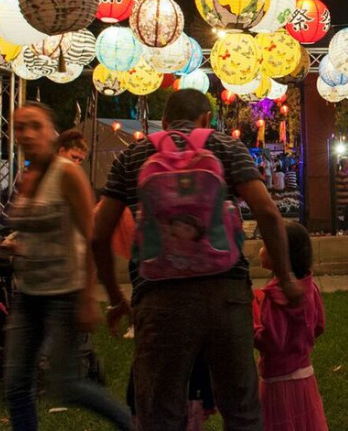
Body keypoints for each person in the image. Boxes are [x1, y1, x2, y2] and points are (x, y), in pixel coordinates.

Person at [93, 89, 302, 431]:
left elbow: (98, 234)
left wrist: (116, 298)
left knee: (161, 412)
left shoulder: (133, 155)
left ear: (164, 122)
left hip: (159, 298)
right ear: (207, 119)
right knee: (241, 410)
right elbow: (266, 211)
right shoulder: (227, 147)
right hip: (227, 293)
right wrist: (287, 276)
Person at [2, 101, 131, 431]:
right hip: (28, 294)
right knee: (17, 384)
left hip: (63, 294)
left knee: (66, 386)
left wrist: (88, 297)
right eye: (20, 127)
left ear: (51, 132)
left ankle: (131, 425)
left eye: (35, 125)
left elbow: (90, 238)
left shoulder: (68, 174)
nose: (27, 134)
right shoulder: (27, 177)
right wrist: (18, 242)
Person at [253, 222, 328, 431]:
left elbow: (270, 342)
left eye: (265, 245)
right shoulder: (310, 287)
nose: (260, 249)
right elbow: (319, 325)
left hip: (276, 381)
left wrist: (251, 325)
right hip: (305, 375)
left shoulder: (273, 296)